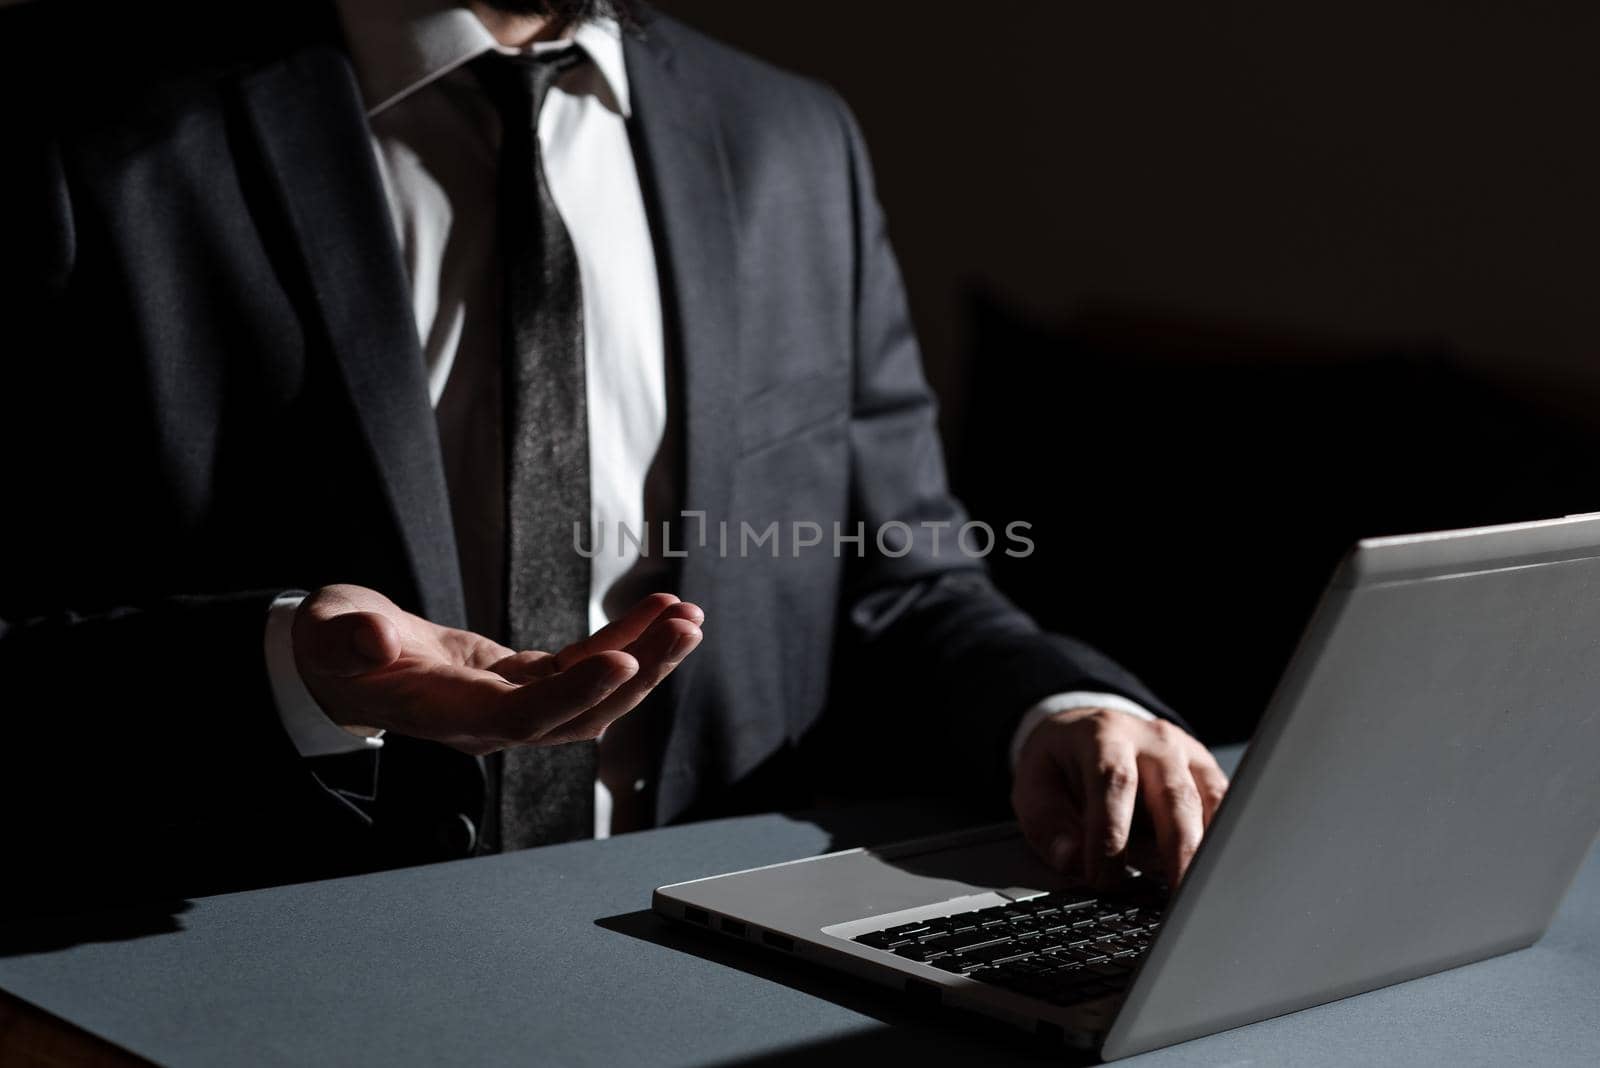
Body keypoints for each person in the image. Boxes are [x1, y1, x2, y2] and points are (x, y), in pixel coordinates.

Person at [0, 0, 1228, 904]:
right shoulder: (62, 118)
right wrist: (286, 670)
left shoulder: (794, 138)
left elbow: (901, 580)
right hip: (217, 965)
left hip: (700, 966)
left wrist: (1061, 708)